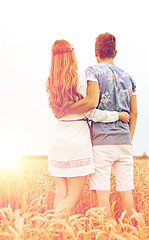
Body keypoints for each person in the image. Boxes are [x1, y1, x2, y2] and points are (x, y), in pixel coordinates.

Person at [46, 39, 130, 214]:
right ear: (72, 55)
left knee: (60, 193)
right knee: (72, 198)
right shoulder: (81, 79)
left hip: (58, 138)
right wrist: (118, 115)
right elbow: (92, 111)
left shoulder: (50, 82)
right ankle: (52, 226)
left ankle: (54, 232)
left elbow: (58, 112)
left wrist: (66, 109)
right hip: (77, 139)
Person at [66, 33, 137, 217]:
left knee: (102, 194)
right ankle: (137, 232)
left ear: (96, 52)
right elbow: (134, 113)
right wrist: (127, 139)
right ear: (115, 52)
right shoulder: (129, 78)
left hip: (102, 143)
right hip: (124, 141)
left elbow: (91, 102)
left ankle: (107, 233)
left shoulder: (93, 71)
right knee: (126, 191)